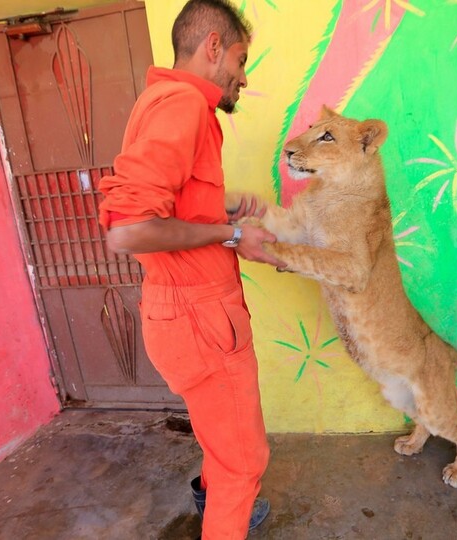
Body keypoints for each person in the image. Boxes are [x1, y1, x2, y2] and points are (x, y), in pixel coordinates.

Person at [97, 1, 284, 538]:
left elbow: (173, 202)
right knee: (243, 462)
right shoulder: (183, 105)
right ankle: (225, 515)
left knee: (218, 433)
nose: (243, 77)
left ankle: (215, 504)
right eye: (241, 61)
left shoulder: (161, 101)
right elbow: (131, 228)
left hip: (178, 312)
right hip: (200, 317)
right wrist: (232, 235)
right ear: (213, 46)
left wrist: (224, 206)